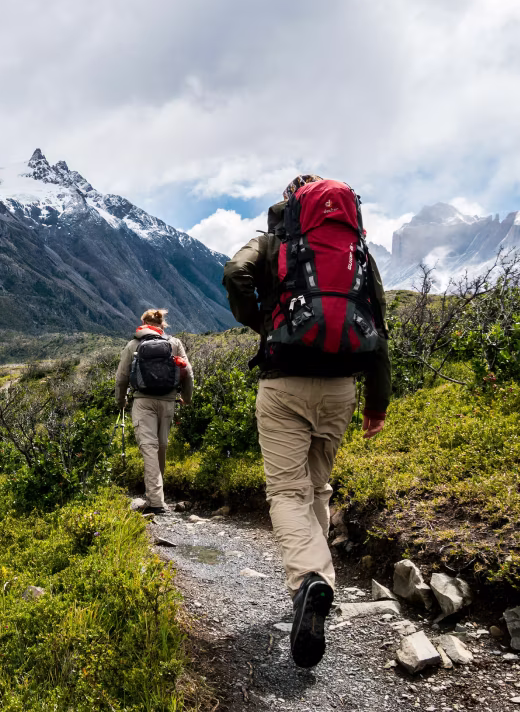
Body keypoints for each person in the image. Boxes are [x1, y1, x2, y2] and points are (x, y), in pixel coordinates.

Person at [222, 174, 390, 668]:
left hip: (284, 382)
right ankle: (317, 586)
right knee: (317, 488)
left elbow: (235, 274)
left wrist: (262, 321)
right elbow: (377, 322)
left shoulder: (274, 240)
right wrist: (377, 404)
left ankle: (309, 581)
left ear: (292, 202)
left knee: (286, 492)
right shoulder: (356, 250)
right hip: (341, 388)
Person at [115, 308, 194, 515]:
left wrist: (121, 401)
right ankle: (158, 496)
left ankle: (156, 501)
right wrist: (186, 397)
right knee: (161, 447)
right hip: (168, 401)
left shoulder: (133, 344)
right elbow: (188, 372)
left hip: (143, 402)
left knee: (149, 448)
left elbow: (121, 377)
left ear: (143, 323)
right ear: (162, 325)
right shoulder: (174, 343)